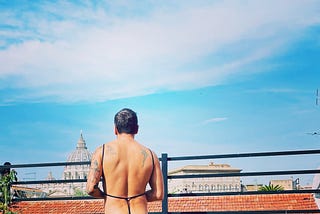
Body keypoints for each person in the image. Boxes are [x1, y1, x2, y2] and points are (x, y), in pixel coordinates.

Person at [86, 108, 164, 214]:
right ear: (136, 129)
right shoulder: (150, 155)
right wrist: (139, 197)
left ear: (115, 129)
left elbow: (91, 189)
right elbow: (158, 194)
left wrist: (107, 196)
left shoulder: (102, 152)